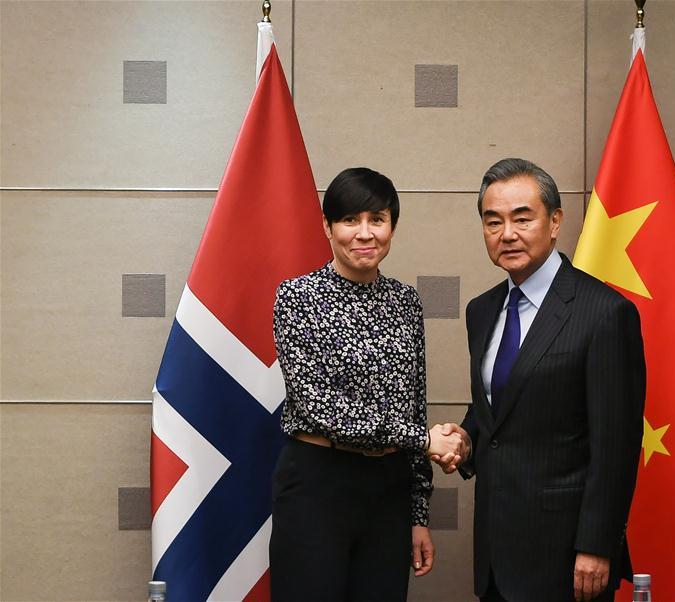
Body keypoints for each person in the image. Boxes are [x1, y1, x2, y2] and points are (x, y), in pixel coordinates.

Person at [432, 158, 646, 602]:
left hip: (568, 557)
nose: (507, 233)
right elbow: (500, 407)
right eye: (493, 221)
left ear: (555, 222)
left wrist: (597, 544)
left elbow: (617, 445)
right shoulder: (481, 310)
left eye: (522, 218)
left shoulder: (604, 313)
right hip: (496, 553)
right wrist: (466, 439)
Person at [270, 167, 464, 602]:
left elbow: (414, 404)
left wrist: (418, 513)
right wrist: (424, 439)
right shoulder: (297, 298)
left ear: (392, 226)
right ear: (327, 226)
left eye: (377, 219)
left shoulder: (405, 301)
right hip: (317, 485)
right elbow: (321, 407)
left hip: (388, 491)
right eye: (349, 220)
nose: (364, 233)